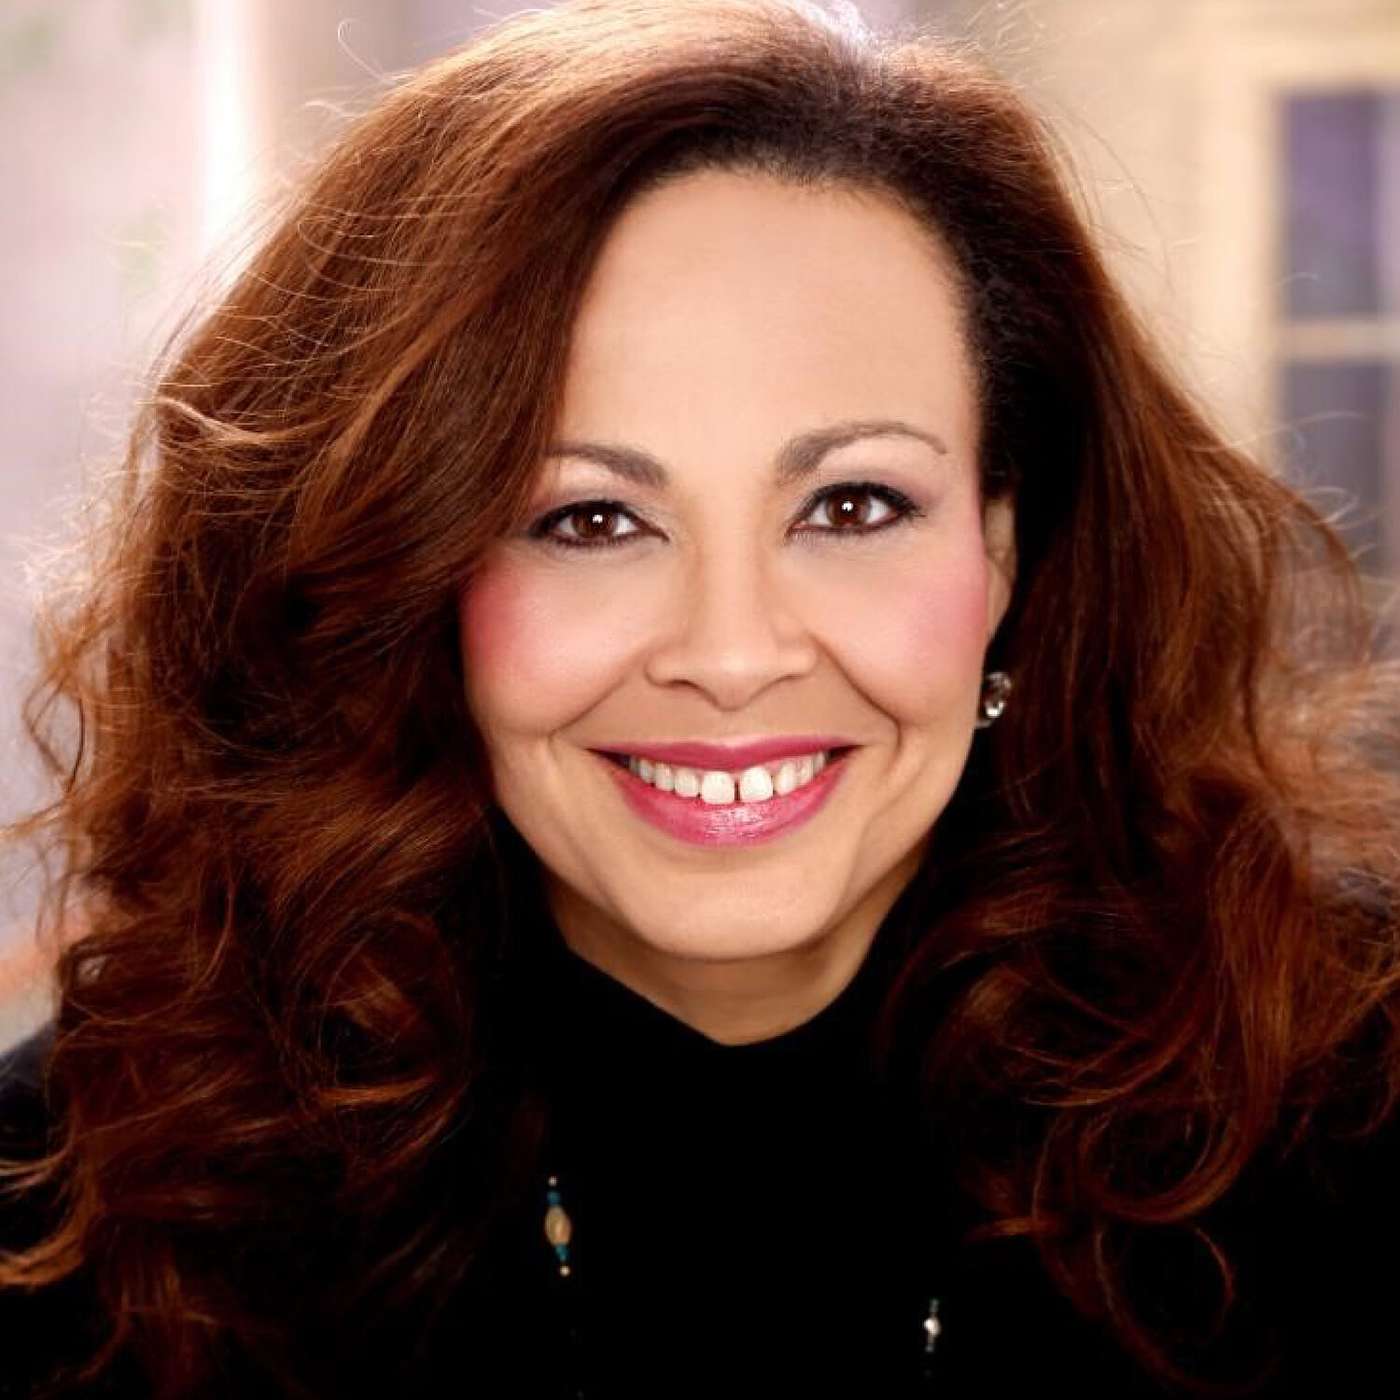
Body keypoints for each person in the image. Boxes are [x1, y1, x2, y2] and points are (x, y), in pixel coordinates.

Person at [3, 0, 1399, 1395]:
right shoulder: (80, 1204)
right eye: (589, 521)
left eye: (853, 505)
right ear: (401, 583)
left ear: (1005, 551)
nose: (731, 656)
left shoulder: (1355, 1095)